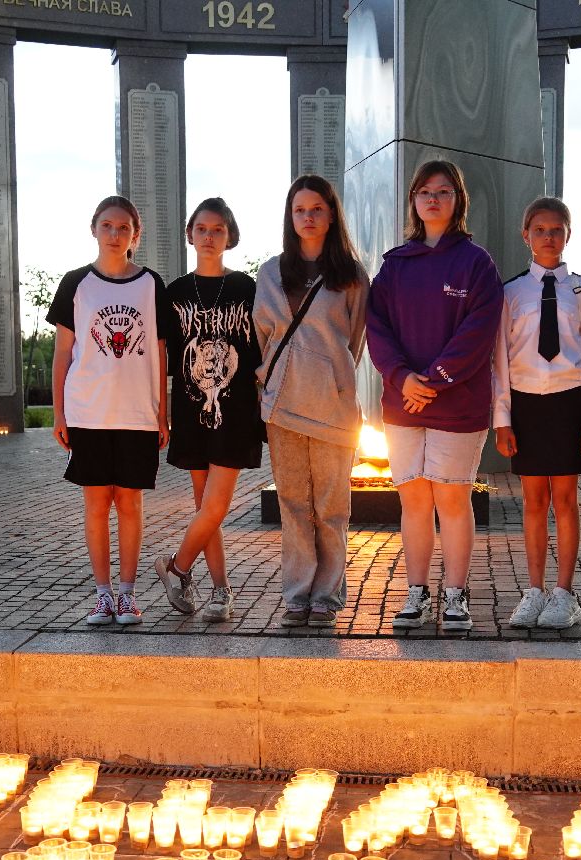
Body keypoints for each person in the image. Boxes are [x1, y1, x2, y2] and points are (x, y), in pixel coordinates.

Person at [366, 160, 503, 633]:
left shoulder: (476, 263)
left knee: (452, 500)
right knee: (414, 503)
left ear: (457, 201)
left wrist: (436, 379)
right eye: (425, 191)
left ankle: (456, 594)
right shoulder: (395, 264)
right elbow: (376, 327)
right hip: (402, 403)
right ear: (414, 201)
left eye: (443, 191)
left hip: (457, 405)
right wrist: (403, 377)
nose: (433, 199)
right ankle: (417, 591)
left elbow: (478, 332)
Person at [48, 195, 174, 626]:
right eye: (108, 225)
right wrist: (59, 412)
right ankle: (102, 595)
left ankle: (127, 595)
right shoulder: (75, 284)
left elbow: (160, 353)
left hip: (137, 413)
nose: (115, 234)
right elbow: (63, 353)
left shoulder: (151, 284)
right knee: (97, 505)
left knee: (131, 506)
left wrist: (163, 412)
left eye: (124, 227)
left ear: (135, 234)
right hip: (88, 412)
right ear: (94, 229)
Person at [492, 196, 581, 630]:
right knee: (532, 501)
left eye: (557, 229)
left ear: (568, 235)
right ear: (526, 235)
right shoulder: (510, 292)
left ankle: (564, 593)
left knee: (564, 499)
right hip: (525, 404)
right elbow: (500, 363)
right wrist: (502, 420)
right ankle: (534, 590)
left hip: (567, 402)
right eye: (540, 230)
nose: (549, 237)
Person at [254, 174, 369, 627]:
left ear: (330, 214)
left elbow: (354, 341)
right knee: (294, 505)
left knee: (332, 506)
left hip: (333, 408)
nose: (308, 217)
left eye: (316, 209)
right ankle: (298, 593)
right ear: (290, 216)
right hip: (283, 405)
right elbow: (263, 336)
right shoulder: (270, 273)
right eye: (300, 210)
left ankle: (327, 594)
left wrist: (332, 376)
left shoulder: (352, 277)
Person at [153, 197, 264, 623]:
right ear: (190, 234)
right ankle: (221, 592)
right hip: (189, 409)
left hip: (235, 412)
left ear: (230, 236)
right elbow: (165, 357)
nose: (209, 236)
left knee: (216, 504)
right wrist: (161, 412)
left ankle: (176, 567)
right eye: (202, 228)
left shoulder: (246, 288)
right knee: (205, 507)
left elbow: (258, 348)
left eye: (218, 229)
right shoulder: (175, 292)